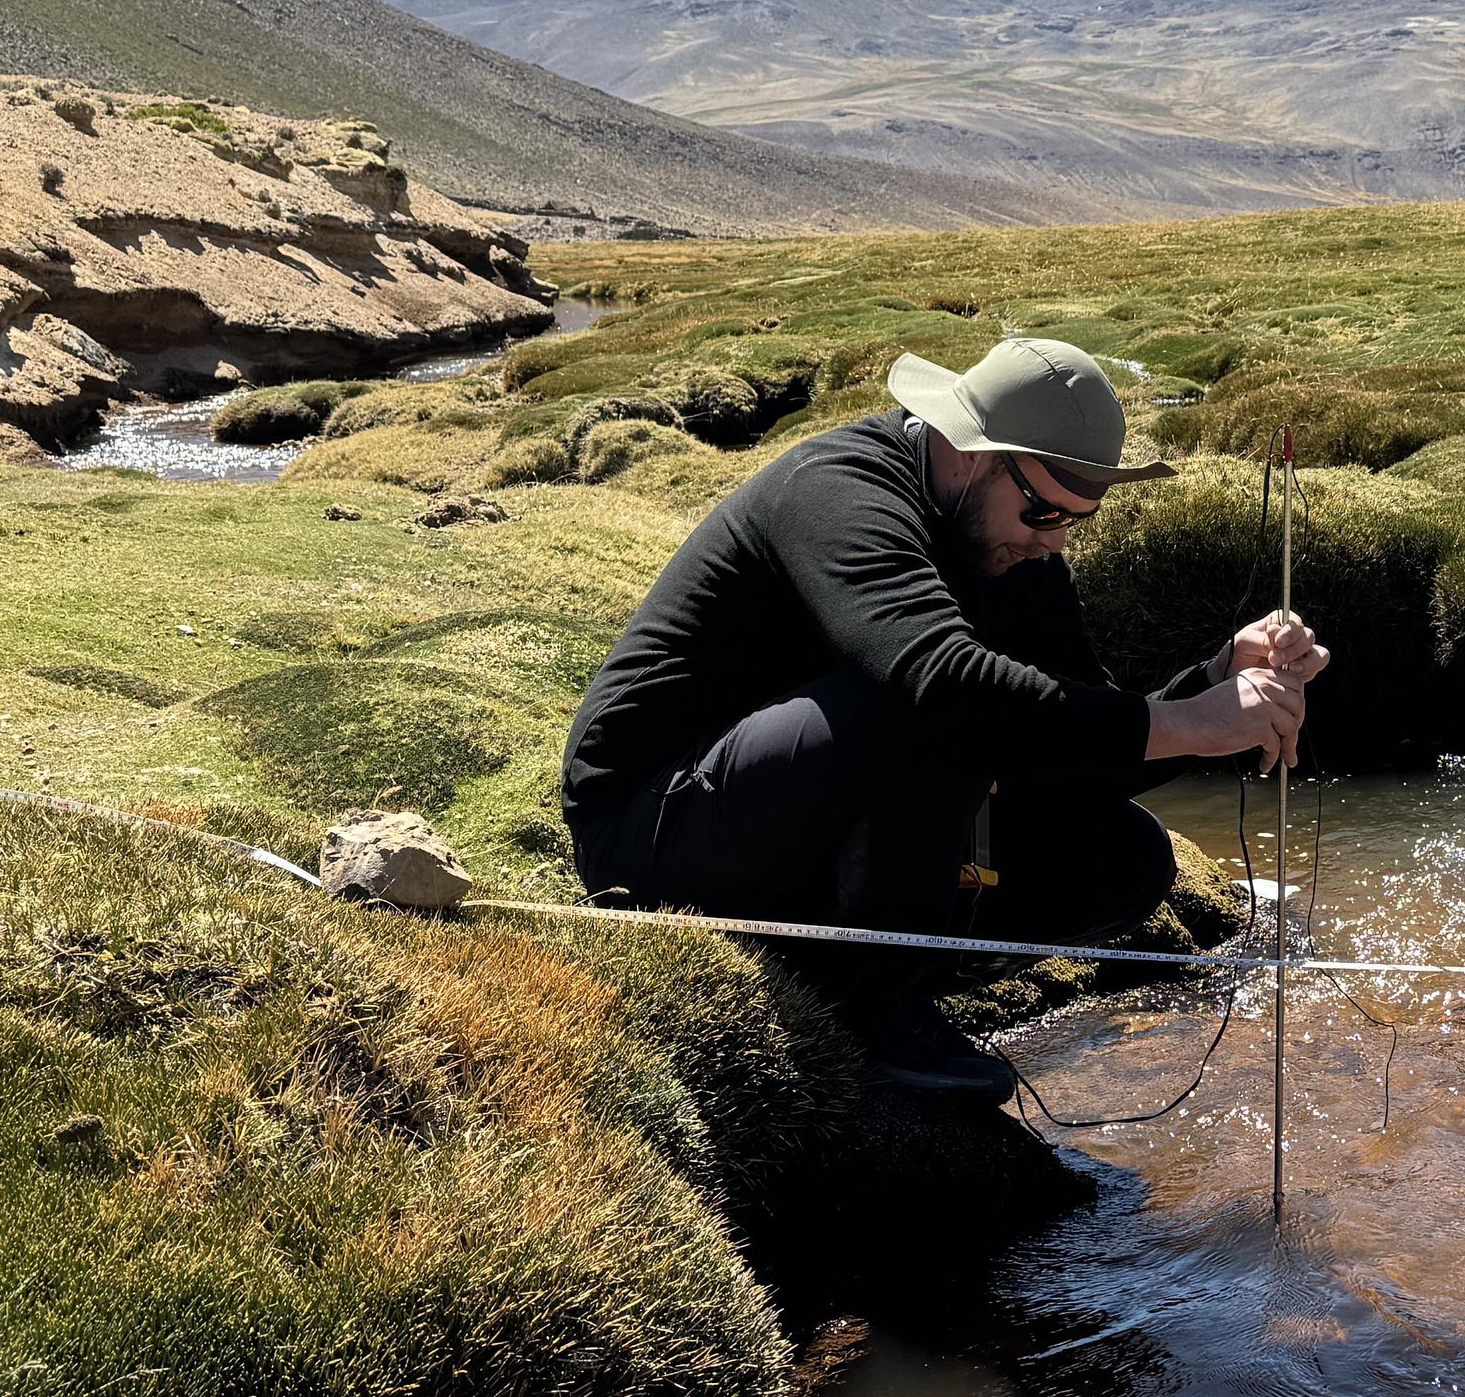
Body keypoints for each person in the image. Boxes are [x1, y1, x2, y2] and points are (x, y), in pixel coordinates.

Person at [561, 334, 1325, 1101]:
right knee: (927, 707)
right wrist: (1189, 724)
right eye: (1041, 511)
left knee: (1126, 861)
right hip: (650, 827)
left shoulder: (1014, 546)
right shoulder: (839, 489)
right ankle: (870, 1000)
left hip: (799, 809)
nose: (1053, 541)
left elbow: (1076, 745)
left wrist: (1218, 680)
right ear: (968, 452)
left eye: (1074, 521)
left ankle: (875, 971)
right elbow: (938, 683)